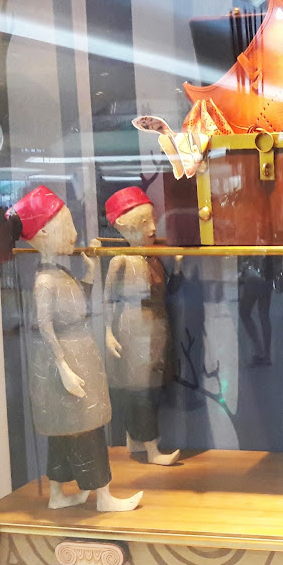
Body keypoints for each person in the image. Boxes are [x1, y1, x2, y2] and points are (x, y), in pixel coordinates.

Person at [6, 186, 142, 511]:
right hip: (65, 362)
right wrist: (63, 367)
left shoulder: (58, 274)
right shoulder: (45, 282)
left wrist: (91, 273)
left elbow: (77, 305)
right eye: (66, 227)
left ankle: (57, 494)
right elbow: (44, 325)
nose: (74, 234)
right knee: (86, 429)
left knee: (65, 431)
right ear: (42, 234)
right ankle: (103, 497)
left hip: (76, 355)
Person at [104, 187, 180, 465]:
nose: (152, 228)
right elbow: (108, 300)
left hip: (157, 327)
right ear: (125, 226)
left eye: (152, 221)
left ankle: (136, 439)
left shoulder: (153, 258)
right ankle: (151, 448)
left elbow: (169, 292)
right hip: (133, 328)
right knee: (141, 388)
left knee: (153, 386)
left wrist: (178, 267)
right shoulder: (120, 261)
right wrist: (108, 333)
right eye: (144, 222)